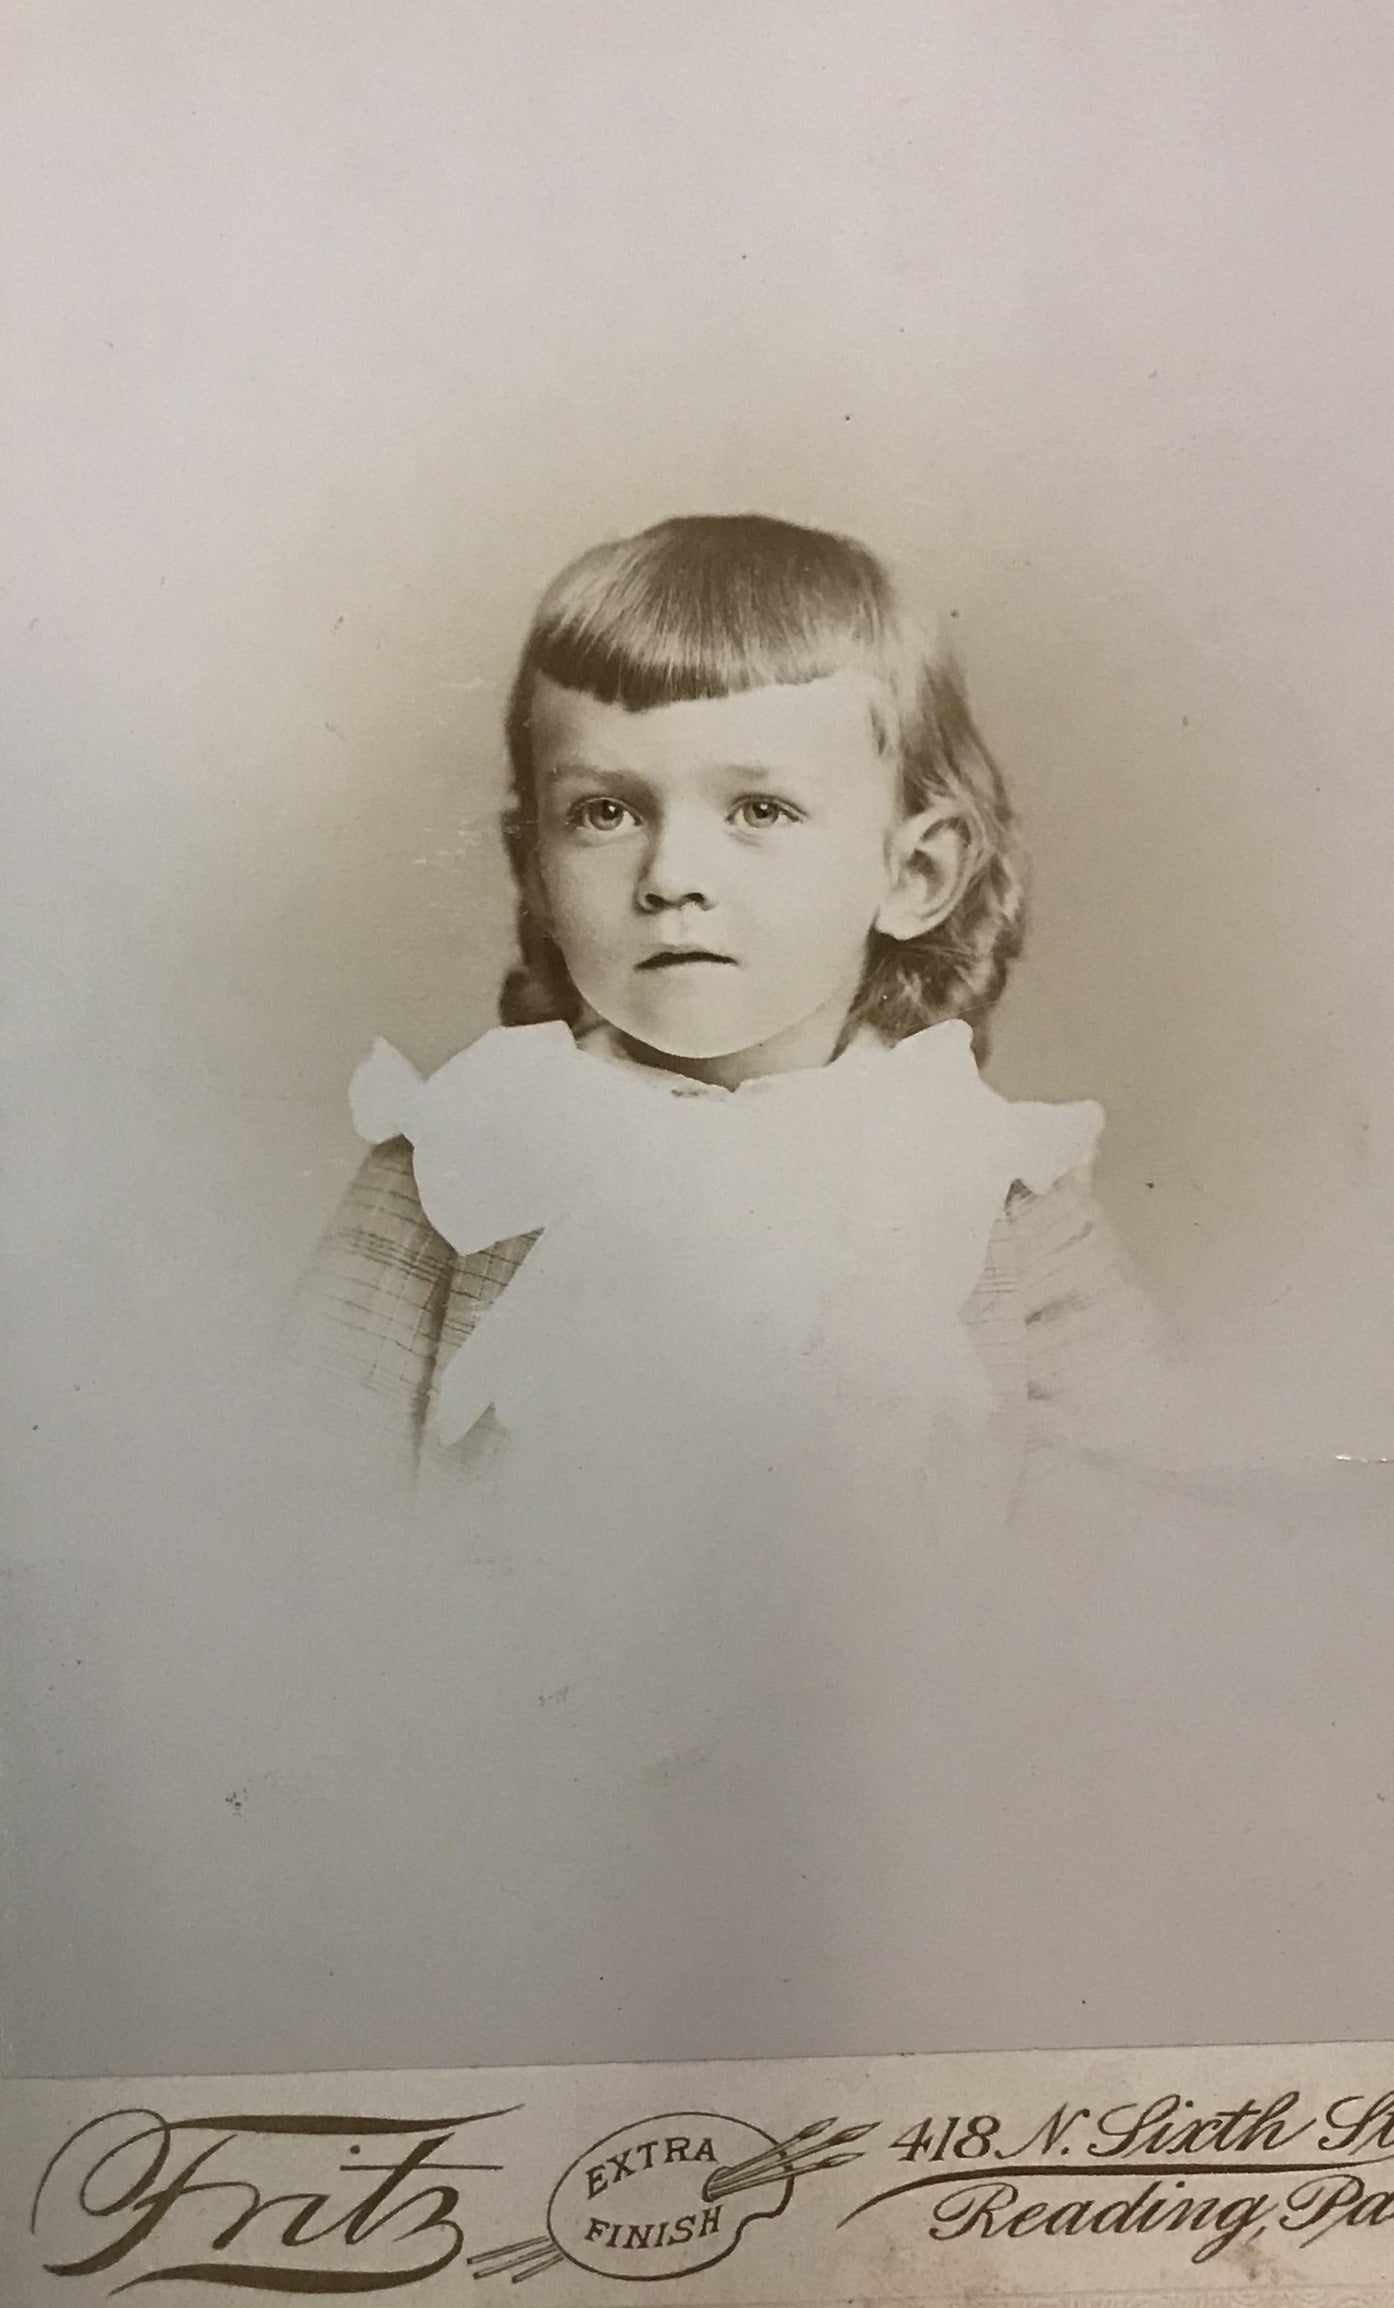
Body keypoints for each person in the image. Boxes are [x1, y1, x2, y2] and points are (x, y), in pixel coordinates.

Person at [281, 512, 1182, 2049]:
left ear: (913, 869)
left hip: (899, 1853)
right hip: (506, 1836)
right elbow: (291, 1514)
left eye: (757, 807)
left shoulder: (989, 1185)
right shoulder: (464, 1161)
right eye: (604, 812)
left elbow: (1135, 1537)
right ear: (529, 856)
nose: (671, 876)